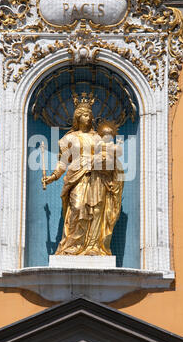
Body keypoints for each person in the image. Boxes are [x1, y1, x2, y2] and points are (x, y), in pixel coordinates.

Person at [42, 94, 124, 256]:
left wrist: (109, 163)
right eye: (85, 115)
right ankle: (71, 246)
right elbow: (63, 163)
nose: (88, 118)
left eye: (90, 115)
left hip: (97, 178)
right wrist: (52, 177)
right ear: (77, 118)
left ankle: (93, 247)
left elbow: (109, 156)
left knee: (96, 210)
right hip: (77, 176)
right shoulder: (68, 139)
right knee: (77, 207)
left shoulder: (98, 137)